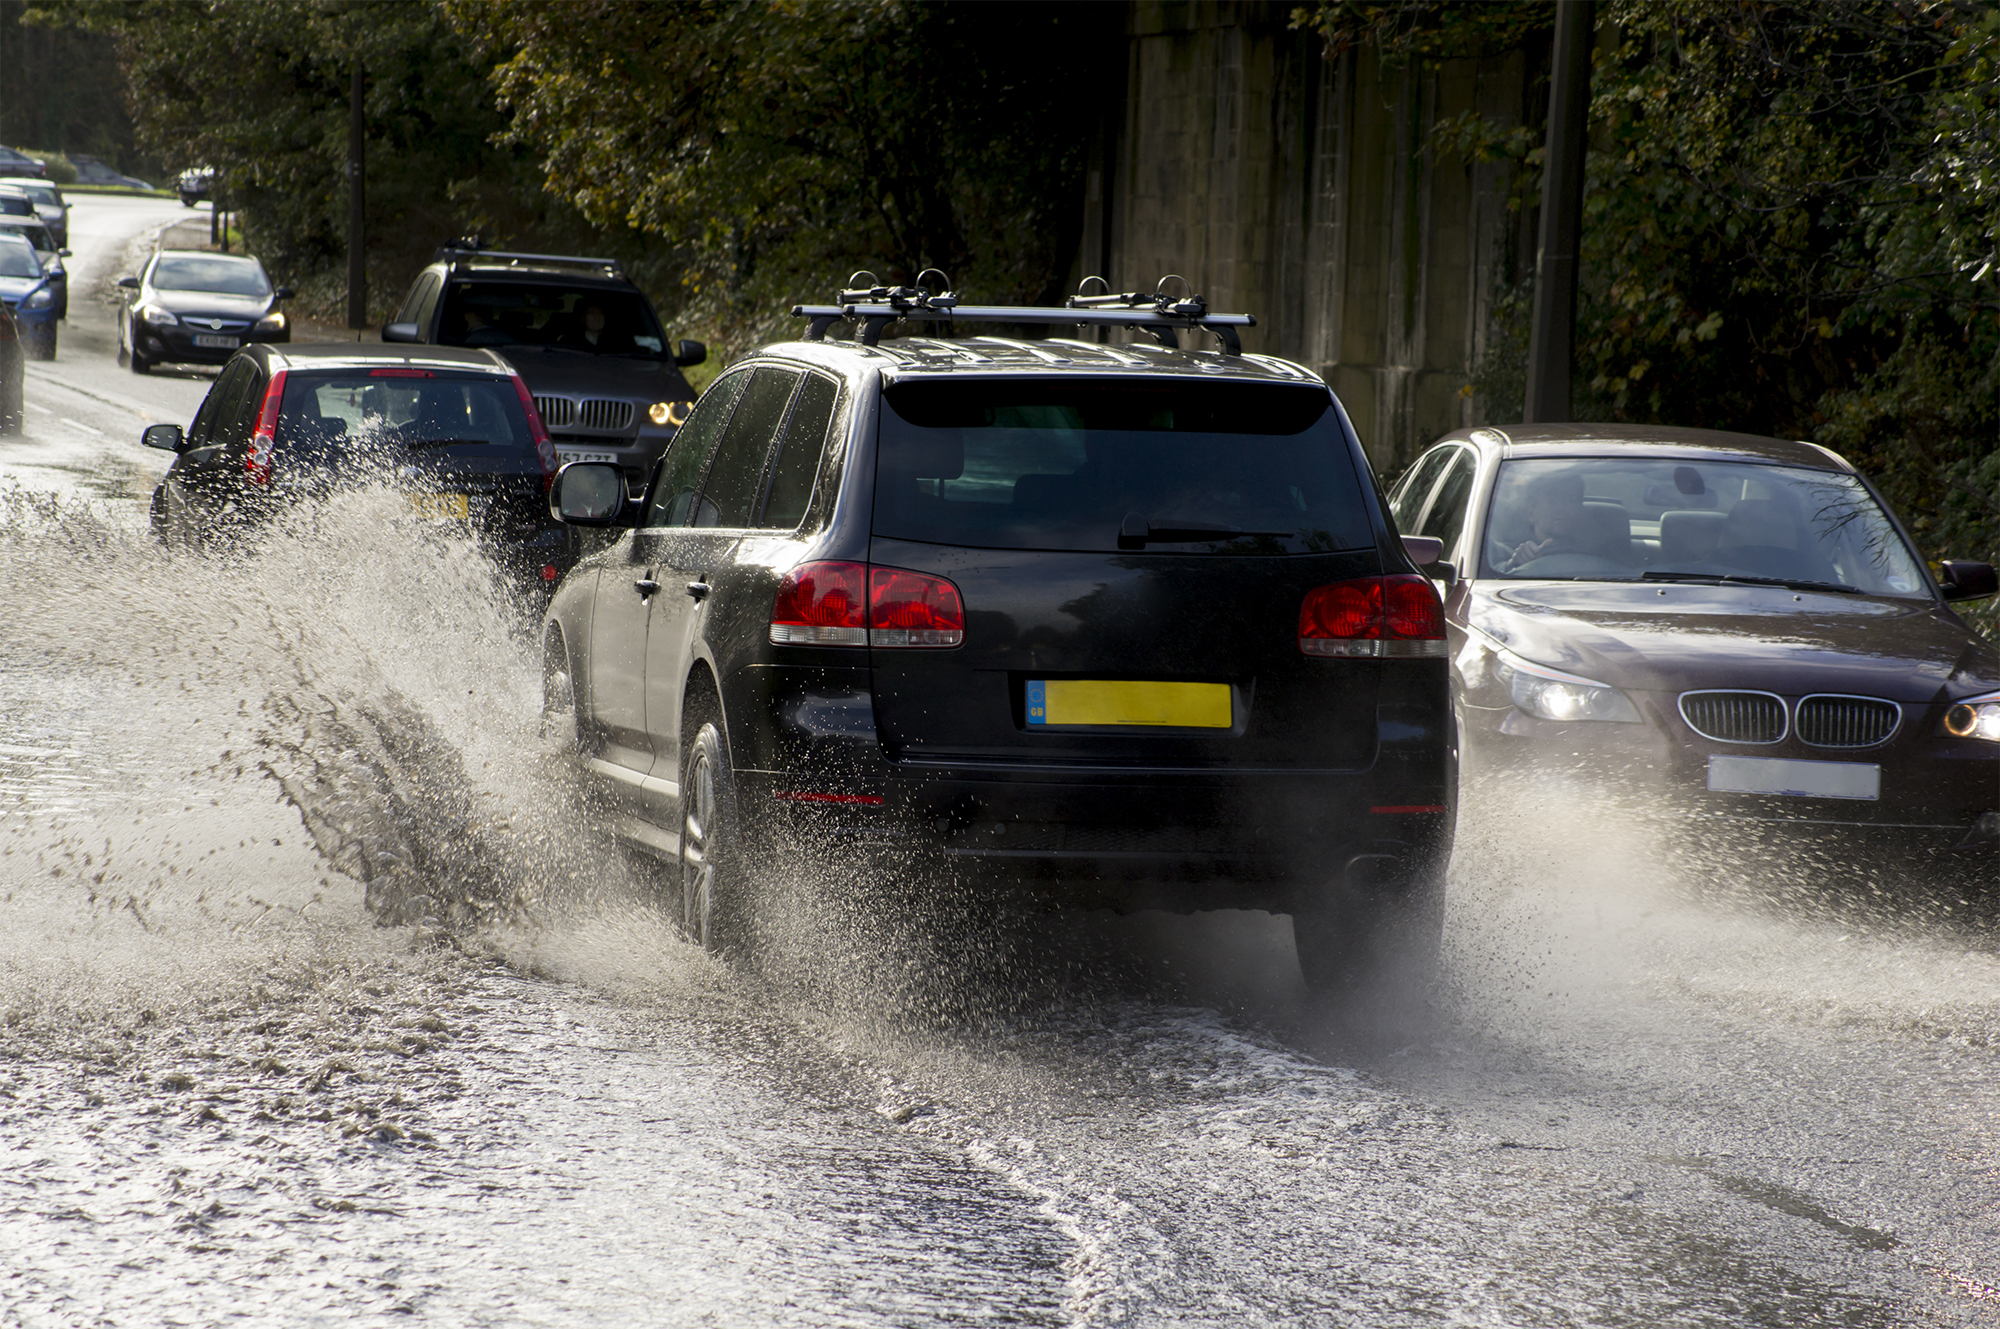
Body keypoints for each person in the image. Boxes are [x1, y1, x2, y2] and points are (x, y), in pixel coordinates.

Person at [1501, 471, 1588, 571]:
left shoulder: (1595, 554)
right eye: (1552, 501)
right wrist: (1513, 565)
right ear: (1531, 512)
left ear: (1581, 512)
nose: (1561, 508)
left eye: (1571, 500)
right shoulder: (1506, 553)